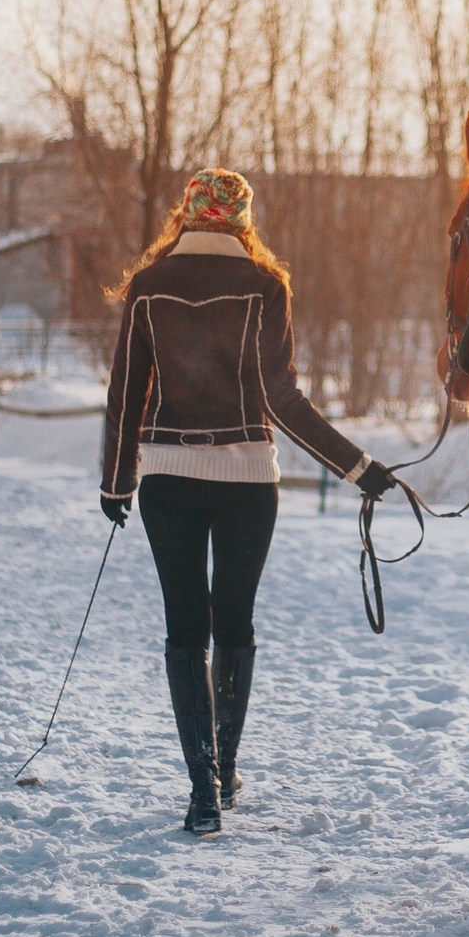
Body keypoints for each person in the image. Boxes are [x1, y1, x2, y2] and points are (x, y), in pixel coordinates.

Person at [99, 168, 396, 835]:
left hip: (168, 479)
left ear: (188, 215)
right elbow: (279, 398)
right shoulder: (265, 285)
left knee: (185, 628)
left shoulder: (148, 287)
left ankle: (202, 790)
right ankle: (225, 768)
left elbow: (127, 394)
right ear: (241, 219)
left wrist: (118, 482)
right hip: (246, 483)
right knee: (234, 622)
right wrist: (358, 466)